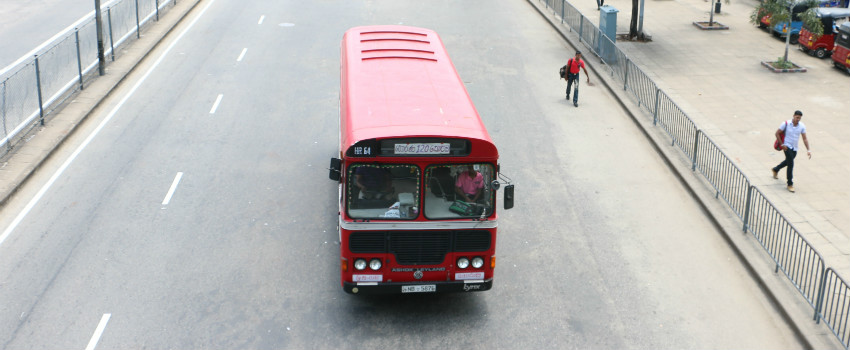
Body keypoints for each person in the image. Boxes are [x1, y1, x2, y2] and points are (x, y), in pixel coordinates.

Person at [772, 110, 811, 193]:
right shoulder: (785, 123)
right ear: (793, 116)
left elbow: (804, 138)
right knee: (791, 164)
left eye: (799, 118)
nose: (798, 119)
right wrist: (782, 144)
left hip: (794, 148)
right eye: (797, 117)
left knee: (788, 162)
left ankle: (776, 169)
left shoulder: (801, 126)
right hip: (786, 146)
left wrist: (808, 150)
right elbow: (777, 133)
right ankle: (790, 183)